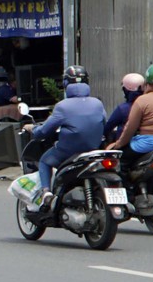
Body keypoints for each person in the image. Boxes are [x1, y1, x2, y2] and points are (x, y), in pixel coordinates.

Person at [30, 65, 106, 201]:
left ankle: (46, 193)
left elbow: (44, 131)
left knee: (44, 161)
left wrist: (33, 129)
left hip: (68, 152)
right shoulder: (97, 104)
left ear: (65, 84)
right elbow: (104, 124)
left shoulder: (62, 106)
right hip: (93, 150)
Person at [110, 62, 153, 154]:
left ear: (146, 82)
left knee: (120, 161)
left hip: (146, 145)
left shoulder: (141, 100)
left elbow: (130, 129)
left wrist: (118, 145)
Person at [103, 72, 144, 143]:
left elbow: (107, 128)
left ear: (126, 91)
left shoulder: (122, 109)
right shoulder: (149, 105)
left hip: (126, 146)